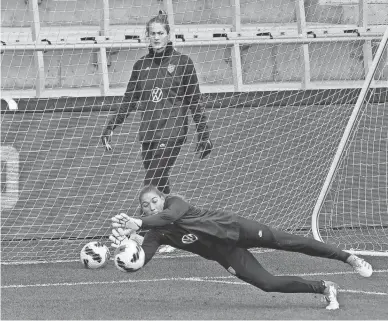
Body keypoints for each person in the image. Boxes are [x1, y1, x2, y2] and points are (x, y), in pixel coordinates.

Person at [110, 184, 373, 310]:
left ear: (162, 198)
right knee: (267, 283)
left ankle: (349, 258)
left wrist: (137, 222)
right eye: (145, 205)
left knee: (292, 242)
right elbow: (143, 259)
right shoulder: (157, 234)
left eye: (154, 201)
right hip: (226, 253)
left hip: (236, 228)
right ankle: (325, 287)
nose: (151, 206)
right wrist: (124, 254)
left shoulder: (176, 203)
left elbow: (168, 216)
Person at [101, 10, 213, 196]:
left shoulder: (183, 62)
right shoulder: (140, 66)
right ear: (148, 36)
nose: (156, 37)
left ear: (168, 35)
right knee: (160, 188)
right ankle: (174, 221)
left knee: (150, 186)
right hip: (148, 135)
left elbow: (194, 101)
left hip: (172, 132)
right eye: (152, 33)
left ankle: (140, 224)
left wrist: (204, 134)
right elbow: (129, 100)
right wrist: (111, 126)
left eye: (160, 33)